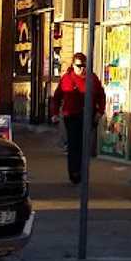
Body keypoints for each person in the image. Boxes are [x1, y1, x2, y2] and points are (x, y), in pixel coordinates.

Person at [50, 53, 106, 184]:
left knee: (84, 145)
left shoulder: (92, 79)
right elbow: (57, 97)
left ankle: (82, 171)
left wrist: (100, 111)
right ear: (73, 65)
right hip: (71, 116)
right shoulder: (67, 79)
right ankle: (74, 173)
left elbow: (101, 95)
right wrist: (54, 113)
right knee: (74, 145)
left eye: (84, 66)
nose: (82, 69)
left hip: (88, 116)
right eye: (79, 66)